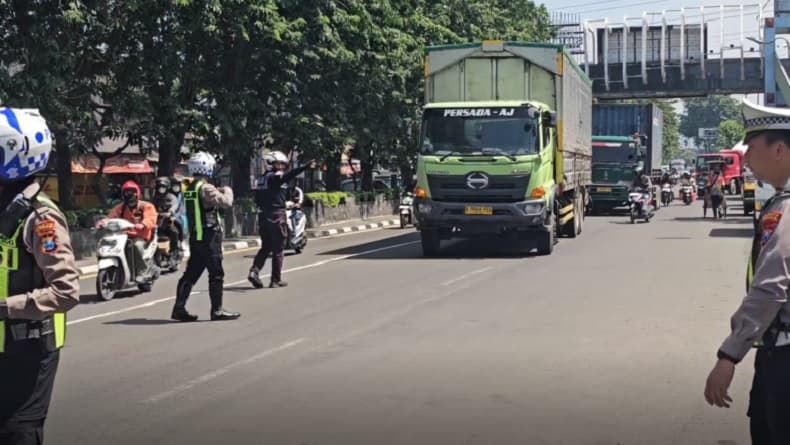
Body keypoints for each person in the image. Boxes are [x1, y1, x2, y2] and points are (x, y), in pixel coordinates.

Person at [704, 99, 790, 443]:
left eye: (752, 150)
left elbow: (771, 286)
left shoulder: (785, 214)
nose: (748, 161)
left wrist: (729, 354)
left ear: (779, 150)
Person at [0, 107, 80, 444]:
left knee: (17, 433)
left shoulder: (41, 219)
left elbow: (66, 290)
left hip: (29, 350)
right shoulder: (5, 209)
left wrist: (5, 307)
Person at [171, 151, 239, 322]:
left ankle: (179, 308)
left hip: (196, 236)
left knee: (191, 274)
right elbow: (226, 202)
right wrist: (227, 190)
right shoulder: (206, 188)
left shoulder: (189, 187)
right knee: (216, 274)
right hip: (209, 236)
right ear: (207, 167)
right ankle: (217, 310)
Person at [248, 152, 315, 289]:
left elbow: (260, 199)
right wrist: (305, 167)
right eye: (279, 163)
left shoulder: (261, 179)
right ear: (271, 163)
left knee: (266, 247)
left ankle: (254, 271)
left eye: (282, 164)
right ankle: (275, 280)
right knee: (279, 248)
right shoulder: (275, 177)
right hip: (276, 216)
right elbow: (288, 176)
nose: (281, 167)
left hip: (263, 216)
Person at [100, 180, 158, 283]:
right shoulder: (121, 208)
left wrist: (143, 224)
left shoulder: (146, 206)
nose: (129, 195)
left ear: (137, 193)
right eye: (126, 192)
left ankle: (143, 271)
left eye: (132, 192)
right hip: (123, 236)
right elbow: (111, 216)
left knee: (136, 245)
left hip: (140, 236)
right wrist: (104, 222)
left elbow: (151, 218)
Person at [152, 176, 181, 258]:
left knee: (174, 232)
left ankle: (174, 251)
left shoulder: (171, 197)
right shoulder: (154, 198)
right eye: (159, 187)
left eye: (163, 187)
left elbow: (174, 206)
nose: (161, 189)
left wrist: (170, 212)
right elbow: (150, 207)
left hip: (167, 221)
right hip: (156, 222)